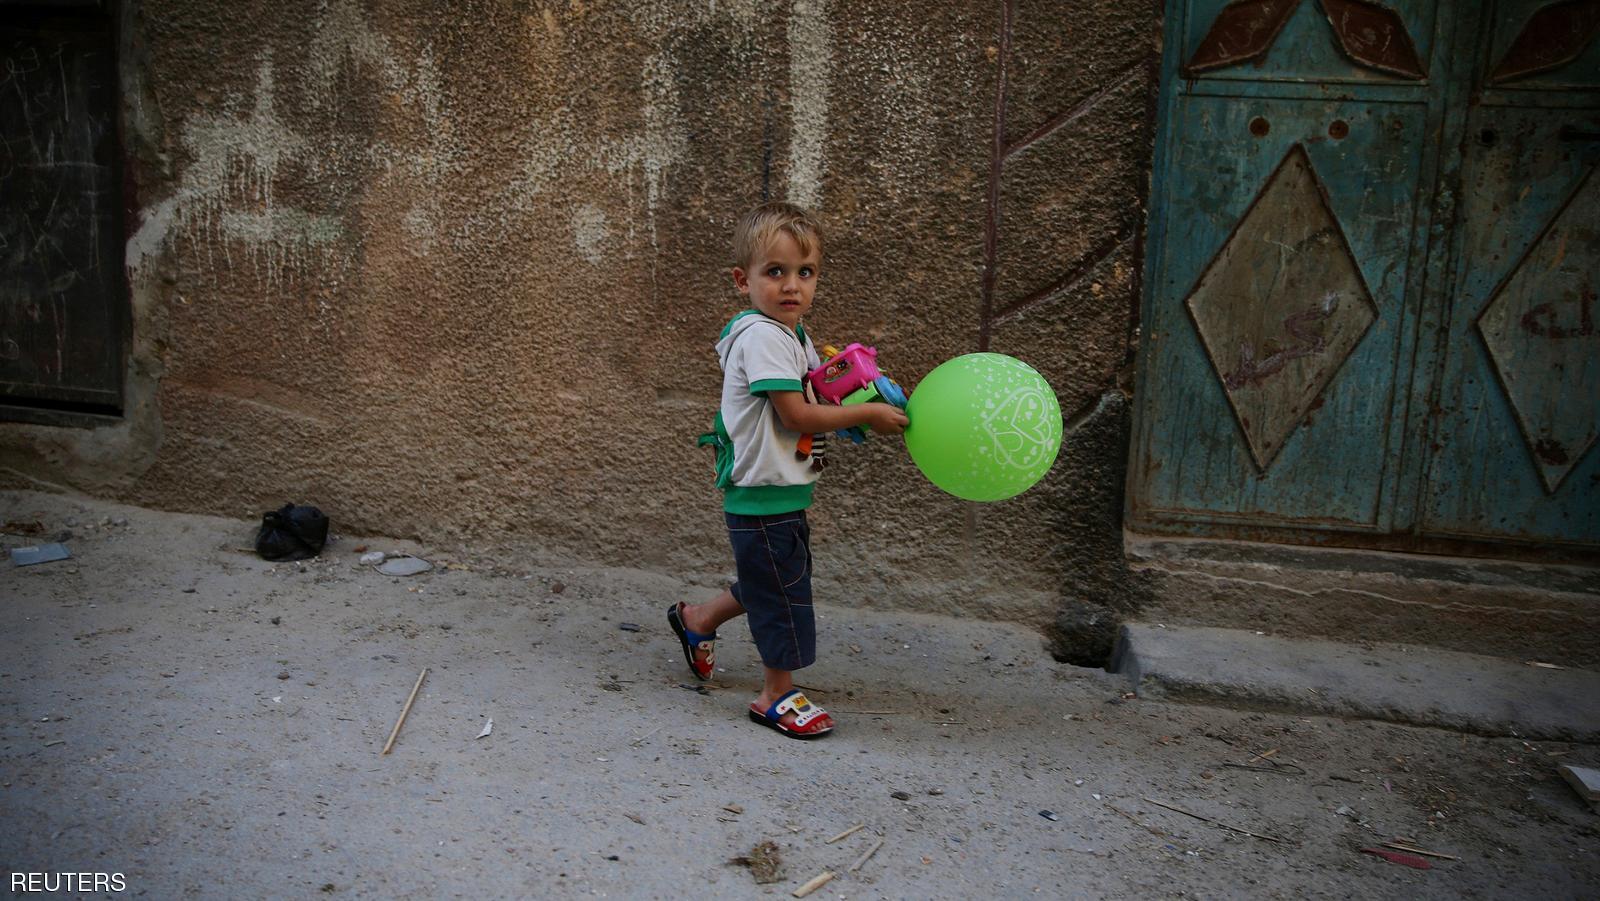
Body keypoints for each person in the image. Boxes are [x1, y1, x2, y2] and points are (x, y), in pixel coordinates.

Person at [669, 201, 908, 739]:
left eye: (805, 272)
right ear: (742, 279)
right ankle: (775, 692)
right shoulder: (762, 337)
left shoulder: (790, 334)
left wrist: (845, 392)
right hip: (763, 489)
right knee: (784, 593)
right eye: (774, 272)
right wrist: (866, 412)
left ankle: (697, 620)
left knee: (773, 579)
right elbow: (795, 414)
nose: (791, 285)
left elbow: (804, 402)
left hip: (782, 488)